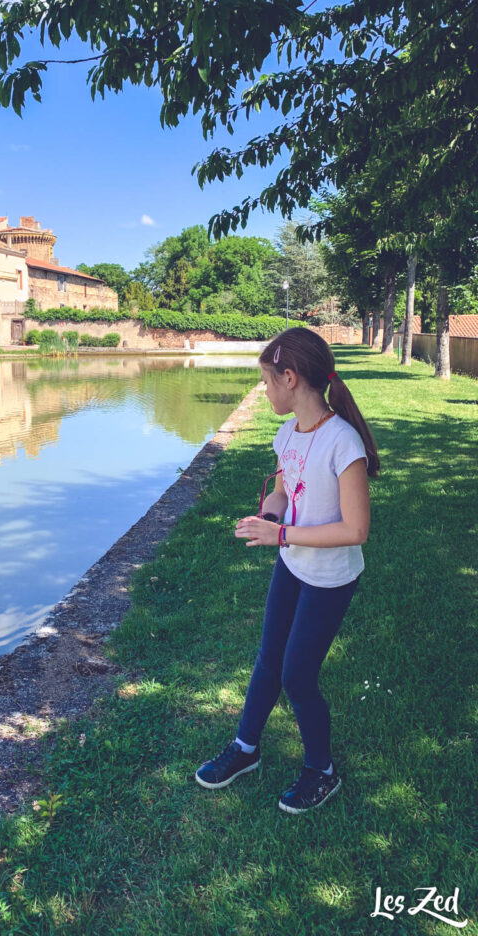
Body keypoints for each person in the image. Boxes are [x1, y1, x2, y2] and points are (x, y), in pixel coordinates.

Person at [195, 327, 380, 813]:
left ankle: (322, 770)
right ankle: (245, 748)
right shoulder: (287, 433)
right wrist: (271, 517)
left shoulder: (343, 443)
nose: (264, 389)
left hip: (330, 577)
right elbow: (284, 490)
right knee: (269, 659)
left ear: (291, 378)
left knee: (298, 675)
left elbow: (355, 529)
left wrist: (282, 536)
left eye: (267, 380)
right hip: (292, 565)